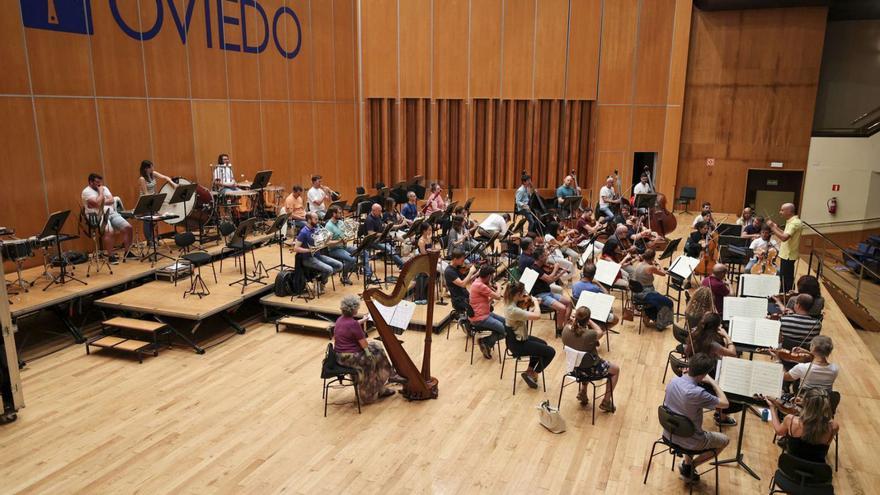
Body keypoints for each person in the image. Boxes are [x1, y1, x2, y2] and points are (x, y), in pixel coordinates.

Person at [662, 352, 730, 483]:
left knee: (688, 422)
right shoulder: (699, 394)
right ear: (703, 374)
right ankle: (690, 466)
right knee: (725, 440)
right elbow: (725, 404)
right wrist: (713, 383)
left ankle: (687, 465)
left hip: (669, 432)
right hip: (690, 440)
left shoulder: (673, 381)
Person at [333, 295, 397, 403]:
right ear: (353, 309)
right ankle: (369, 394)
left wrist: (363, 320)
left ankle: (379, 386)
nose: (357, 309)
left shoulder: (340, 320)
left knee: (377, 347)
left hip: (339, 356)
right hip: (350, 357)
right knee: (373, 358)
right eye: (357, 308)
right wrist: (368, 354)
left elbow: (351, 326)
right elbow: (364, 344)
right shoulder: (353, 324)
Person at [562, 306, 620, 411]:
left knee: (584, 360)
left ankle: (583, 392)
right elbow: (600, 332)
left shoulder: (565, 330)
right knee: (615, 370)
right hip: (590, 370)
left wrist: (573, 320)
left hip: (573, 368)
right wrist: (591, 321)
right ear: (587, 320)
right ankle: (606, 401)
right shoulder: (590, 334)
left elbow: (571, 327)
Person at [765, 387, 839, 465]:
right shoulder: (834, 426)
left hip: (791, 466)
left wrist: (772, 408)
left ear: (806, 403)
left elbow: (779, 431)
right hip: (816, 472)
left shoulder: (791, 420)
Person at [503, 282, 556, 389]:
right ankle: (534, 373)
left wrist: (533, 306)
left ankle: (529, 370)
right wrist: (536, 302)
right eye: (522, 293)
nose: (524, 295)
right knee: (550, 352)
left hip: (516, 338)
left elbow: (523, 312)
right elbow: (537, 316)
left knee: (543, 344)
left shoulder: (509, 302)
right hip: (518, 344)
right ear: (517, 294)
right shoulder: (513, 311)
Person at [81, 173, 134, 263]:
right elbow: (97, 204)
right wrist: (101, 192)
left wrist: (100, 201)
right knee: (109, 232)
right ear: (90, 182)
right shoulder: (86, 192)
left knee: (128, 227)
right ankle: (111, 256)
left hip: (111, 212)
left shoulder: (104, 188)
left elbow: (112, 200)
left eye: (100, 182)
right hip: (97, 216)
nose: (99, 185)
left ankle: (127, 253)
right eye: (97, 182)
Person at [527, 247, 573, 336]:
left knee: (568, 302)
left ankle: (566, 324)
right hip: (540, 296)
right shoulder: (535, 269)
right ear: (540, 257)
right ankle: (560, 329)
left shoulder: (541, 267)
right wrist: (556, 268)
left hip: (548, 293)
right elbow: (549, 280)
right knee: (562, 308)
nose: (547, 257)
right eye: (545, 255)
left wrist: (561, 273)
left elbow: (551, 280)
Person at [292, 212, 343, 287]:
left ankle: (319, 278)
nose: (317, 221)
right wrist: (309, 250)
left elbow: (324, 243)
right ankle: (322, 283)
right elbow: (296, 248)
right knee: (329, 270)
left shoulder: (316, 228)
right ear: (309, 220)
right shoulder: (303, 232)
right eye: (315, 219)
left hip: (318, 255)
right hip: (307, 258)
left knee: (339, 265)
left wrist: (328, 238)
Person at [631, 249, 675, 329]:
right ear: (652, 258)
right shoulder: (651, 267)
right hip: (646, 293)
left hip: (636, 291)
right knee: (668, 302)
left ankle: (650, 316)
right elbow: (663, 274)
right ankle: (660, 324)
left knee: (659, 299)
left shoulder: (639, 264)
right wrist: (658, 265)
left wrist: (652, 264)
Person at [468, 265, 506, 359]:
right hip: (480, 318)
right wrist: (498, 287)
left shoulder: (478, 281)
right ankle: (486, 341)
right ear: (488, 276)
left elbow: (489, 296)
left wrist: (491, 288)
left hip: (485, 313)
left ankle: (487, 342)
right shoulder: (480, 285)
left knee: (507, 323)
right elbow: (498, 297)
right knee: (507, 331)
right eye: (491, 276)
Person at [766, 203, 803, 293]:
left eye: (782, 210)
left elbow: (784, 238)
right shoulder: (791, 221)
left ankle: (786, 296)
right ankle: (783, 295)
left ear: (789, 211)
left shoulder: (795, 223)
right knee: (784, 277)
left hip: (788, 255)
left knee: (787, 279)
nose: (780, 212)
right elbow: (785, 233)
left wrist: (772, 227)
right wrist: (776, 228)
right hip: (786, 254)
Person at [137, 160, 176, 245]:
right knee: (148, 221)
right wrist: (156, 199)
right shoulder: (142, 179)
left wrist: (173, 184)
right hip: (146, 201)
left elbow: (165, 177)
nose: (153, 168)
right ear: (146, 169)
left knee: (154, 220)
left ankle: (153, 238)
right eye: (151, 167)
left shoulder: (153, 174)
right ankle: (149, 240)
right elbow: (146, 193)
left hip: (153, 200)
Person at [363, 203, 404, 284]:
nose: (381, 212)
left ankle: (401, 265)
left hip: (380, 239)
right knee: (389, 249)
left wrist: (390, 227)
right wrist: (383, 234)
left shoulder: (378, 216)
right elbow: (370, 233)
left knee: (391, 248)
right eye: (379, 211)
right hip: (372, 241)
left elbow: (383, 225)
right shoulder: (369, 219)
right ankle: (403, 265)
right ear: (374, 211)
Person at [778, 294, 822, 362]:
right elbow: (812, 343)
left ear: (798, 305)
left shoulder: (784, 319)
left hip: (783, 355)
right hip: (803, 358)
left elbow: (779, 339)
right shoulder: (817, 325)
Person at [323, 206, 357, 285]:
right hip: (334, 250)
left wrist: (349, 235)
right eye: (339, 213)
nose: (341, 214)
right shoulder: (329, 226)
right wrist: (339, 241)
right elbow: (327, 243)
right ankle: (344, 277)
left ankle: (368, 274)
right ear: (334, 214)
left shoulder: (341, 222)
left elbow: (344, 234)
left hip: (344, 247)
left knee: (361, 250)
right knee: (351, 259)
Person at [444, 249, 478, 313]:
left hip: (465, 296)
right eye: (462, 260)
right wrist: (470, 272)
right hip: (459, 300)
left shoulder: (457, 267)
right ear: (455, 259)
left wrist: (476, 274)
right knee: (478, 310)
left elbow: (465, 281)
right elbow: (462, 284)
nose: (463, 262)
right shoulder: (449, 271)